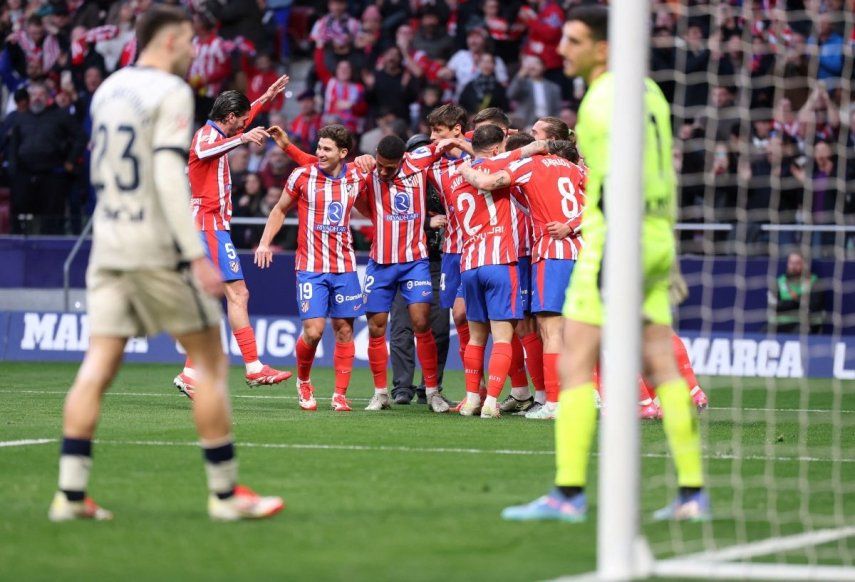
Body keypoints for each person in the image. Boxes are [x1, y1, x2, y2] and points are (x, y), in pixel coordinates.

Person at [48, 5, 283, 522]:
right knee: (210, 362)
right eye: (191, 40)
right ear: (172, 37)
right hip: (154, 241)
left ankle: (69, 494)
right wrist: (194, 254)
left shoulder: (109, 89)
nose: (195, 50)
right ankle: (225, 495)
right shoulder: (172, 92)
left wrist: (257, 106)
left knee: (98, 365)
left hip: (107, 239)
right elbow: (167, 174)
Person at [501, 5, 708, 522]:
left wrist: (612, 253)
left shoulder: (600, 103)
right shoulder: (651, 93)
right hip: (655, 236)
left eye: (572, 41)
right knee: (661, 367)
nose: (560, 50)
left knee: (573, 364)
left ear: (603, 47)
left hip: (616, 243)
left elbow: (616, 185)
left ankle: (567, 495)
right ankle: (692, 494)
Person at [173, 76, 293, 399]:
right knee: (237, 295)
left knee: (215, 299)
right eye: (239, 122)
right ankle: (253, 366)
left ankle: (191, 372)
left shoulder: (221, 131)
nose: (243, 126)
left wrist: (265, 97)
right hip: (207, 224)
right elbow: (211, 148)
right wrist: (241, 140)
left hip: (209, 225)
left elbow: (242, 121)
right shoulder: (204, 137)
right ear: (228, 118)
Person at [459, 132, 586, 422]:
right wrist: (572, 225)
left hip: (550, 253)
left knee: (550, 331)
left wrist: (466, 168)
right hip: (581, 253)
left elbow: (488, 182)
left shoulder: (531, 166)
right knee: (582, 329)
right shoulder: (574, 168)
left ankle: (554, 402)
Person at [255, 124, 365, 412]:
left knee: (344, 330)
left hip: (345, 266)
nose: (320, 153)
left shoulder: (356, 174)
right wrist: (265, 242)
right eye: (318, 147)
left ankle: (340, 394)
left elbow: (381, 186)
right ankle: (303, 381)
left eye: (327, 149)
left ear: (343, 153)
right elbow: (279, 209)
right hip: (310, 267)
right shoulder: (302, 175)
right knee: (314, 332)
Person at [449, 125, 528, 418]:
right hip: (499, 261)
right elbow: (522, 158)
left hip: (469, 264)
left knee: (475, 339)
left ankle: (471, 400)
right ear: (496, 149)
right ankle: (492, 402)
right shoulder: (499, 167)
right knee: (503, 337)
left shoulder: (456, 179)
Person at [388, 134, 452, 406]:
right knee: (402, 326)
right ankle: (402, 387)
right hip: (406, 260)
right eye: (414, 153)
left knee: (438, 327)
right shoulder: (397, 182)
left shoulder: (445, 180)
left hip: (438, 261)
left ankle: (431, 386)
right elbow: (390, 216)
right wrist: (428, 222)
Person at [768, 251, 825, 334]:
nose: (793, 267)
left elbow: (813, 306)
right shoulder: (779, 282)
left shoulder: (814, 282)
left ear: (805, 265)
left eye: (797, 263)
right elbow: (774, 306)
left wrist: (792, 301)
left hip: (803, 323)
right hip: (780, 323)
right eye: (791, 263)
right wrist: (797, 301)